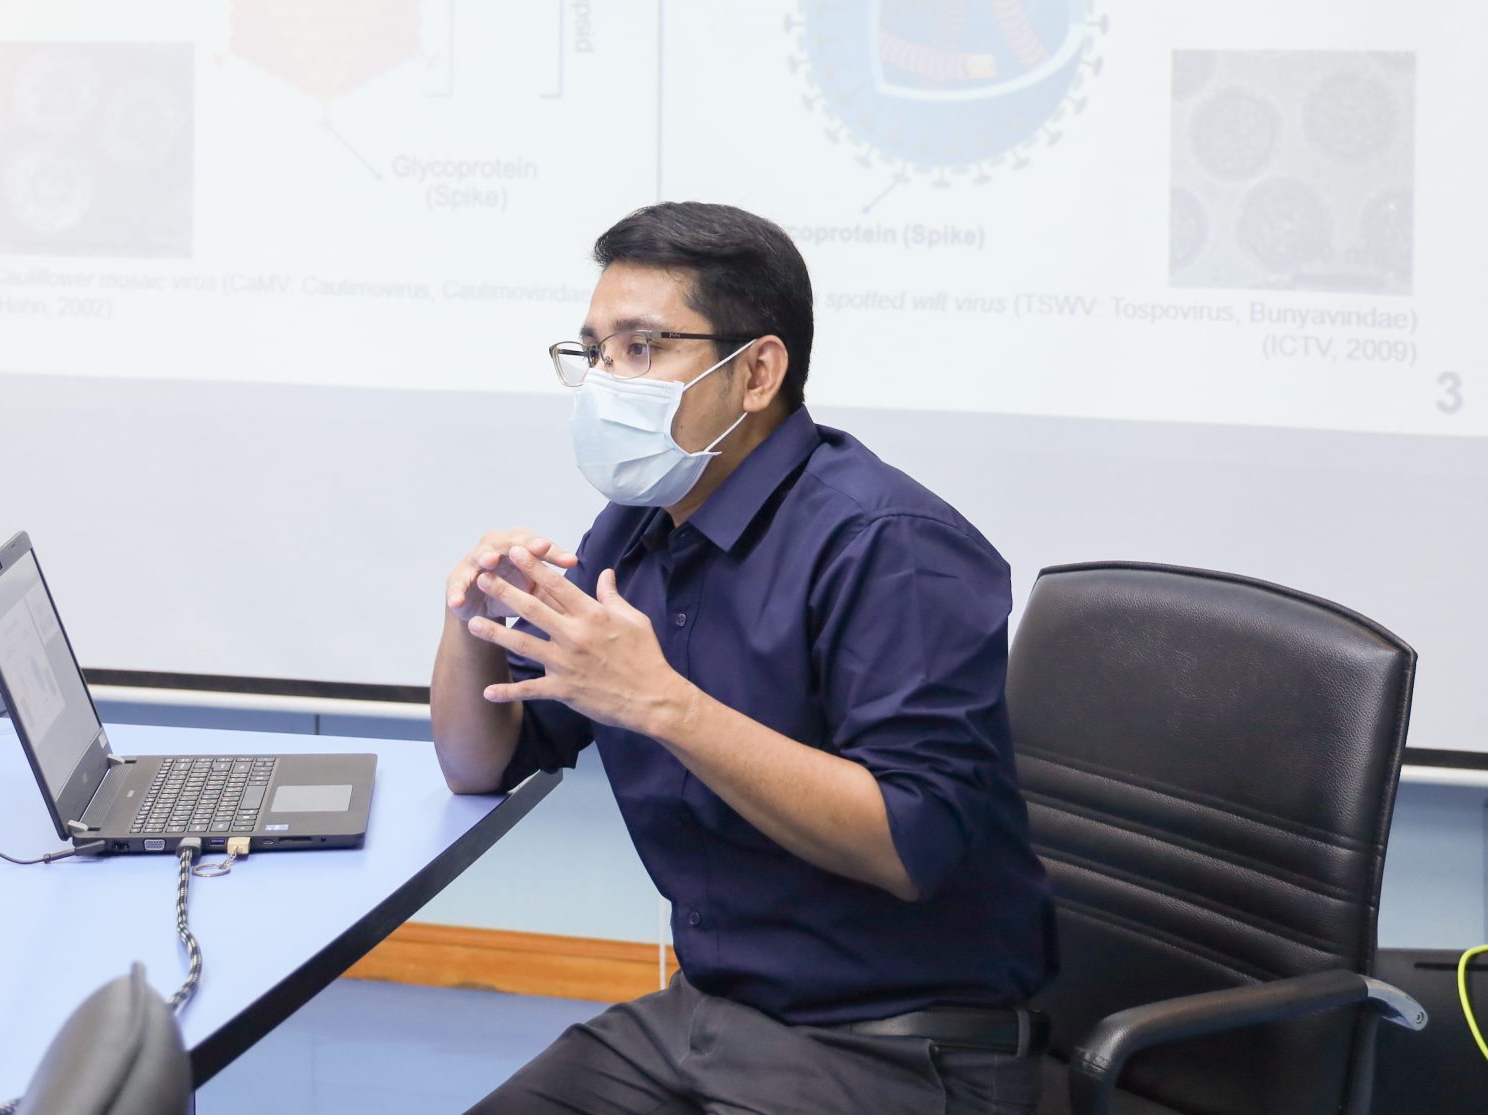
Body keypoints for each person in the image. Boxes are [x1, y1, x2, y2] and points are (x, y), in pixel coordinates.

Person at [432, 201, 1055, 1115]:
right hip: (706, 1015)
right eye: (595, 352)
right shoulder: (637, 528)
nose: (605, 381)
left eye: (641, 348)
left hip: (898, 1048)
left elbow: (909, 843)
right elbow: (477, 763)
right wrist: (468, 621)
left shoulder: (891, 545)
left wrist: (662, 703)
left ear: (758, 371)